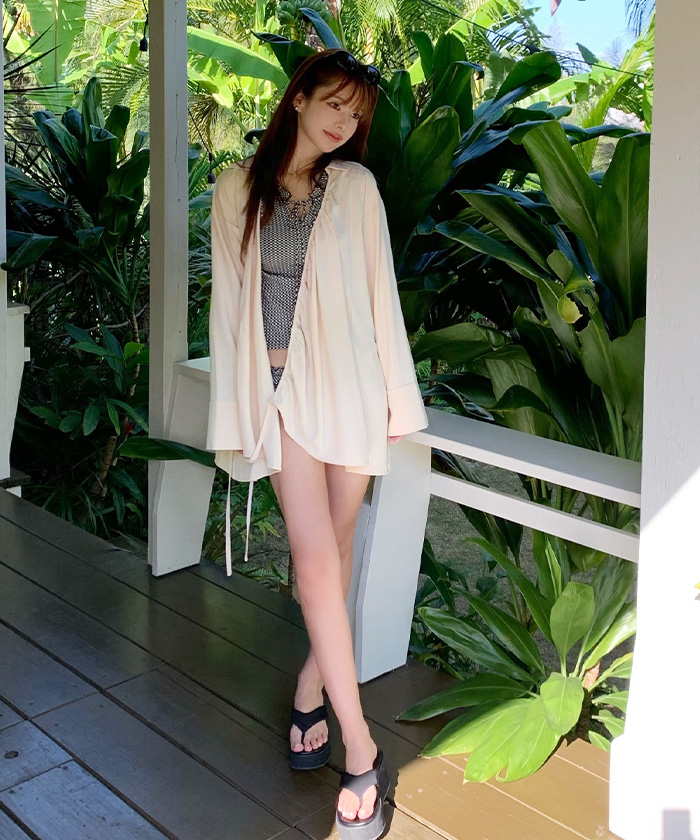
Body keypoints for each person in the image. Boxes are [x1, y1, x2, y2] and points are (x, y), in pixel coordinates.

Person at [205, 47, 429, 840]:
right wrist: (239, 410)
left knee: (331, 556)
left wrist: (398, 397)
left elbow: (379, 294)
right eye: (334, 103)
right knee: (312, 563)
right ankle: (362, 749)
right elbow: (227, 308)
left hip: (353, 389)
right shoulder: (236, 188)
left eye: (355, 114)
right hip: (281, 397)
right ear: (298, 97)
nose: (344, 121)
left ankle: (310, 689)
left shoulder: (356, 187)